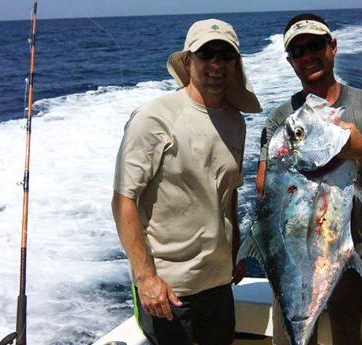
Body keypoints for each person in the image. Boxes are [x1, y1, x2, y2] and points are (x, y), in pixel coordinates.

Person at [256, 14, 362, 345]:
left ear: (333, 47)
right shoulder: (279, 121)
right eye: (297, 51)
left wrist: (361, 151)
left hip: (357, 262)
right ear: (290, 61)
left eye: (315, 45)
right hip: (295, 266)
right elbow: (264, 191)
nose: (307, 55)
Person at [112, 18, 261, 345]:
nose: (217, 64)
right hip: (169, 290)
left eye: (226, 55)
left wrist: (234, 248)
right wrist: (146, 277)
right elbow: (124, 199)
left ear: (236, 65)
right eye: (207, 54)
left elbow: (228, 191)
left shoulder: (236, 122)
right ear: (188, 60)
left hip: (219, 284)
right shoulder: (154, 117)